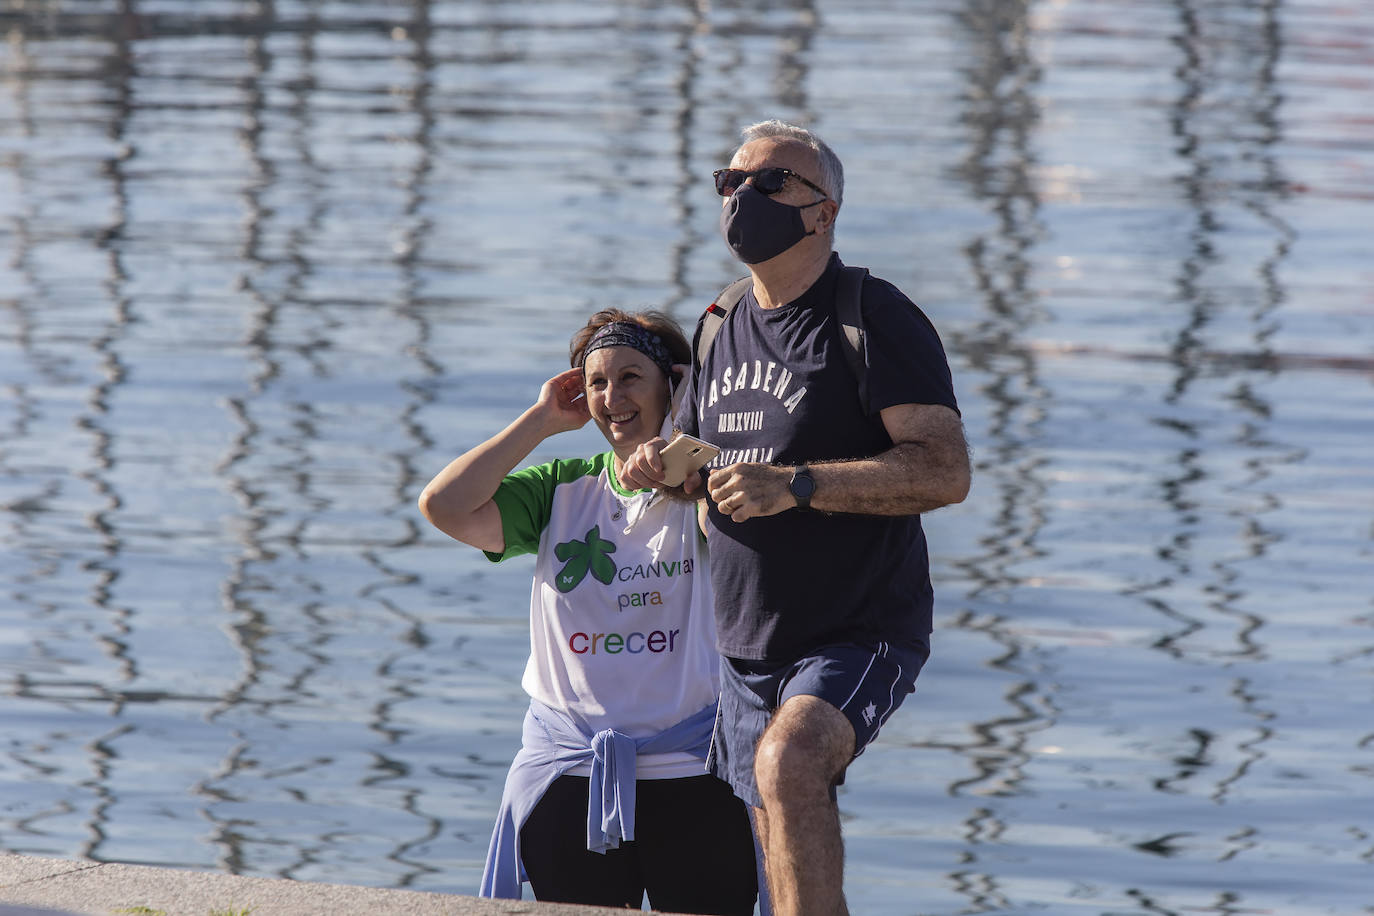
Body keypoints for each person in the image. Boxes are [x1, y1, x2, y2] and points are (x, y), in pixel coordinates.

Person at [621, 119, 971, 916]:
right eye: (731, 181)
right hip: (745, 641)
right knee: (778, 841)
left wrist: (798, 485)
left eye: (771, 183)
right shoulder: (719, 323)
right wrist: (665, 469)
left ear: (823, 212)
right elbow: (706, 475)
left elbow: (945, 472)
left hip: (859, 625)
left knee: (791, 761)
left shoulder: (872, 315)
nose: (745, 196)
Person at [417, 310, 757, 914]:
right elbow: (444, 506)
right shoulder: (560, 490)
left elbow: (746, 546)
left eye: (631, 377)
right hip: (570, 779)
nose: (612, 397)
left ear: (672, 384)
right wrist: (543, 421)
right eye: (596, 382)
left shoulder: (713, 485)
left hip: (697, 776)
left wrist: (685, 457)